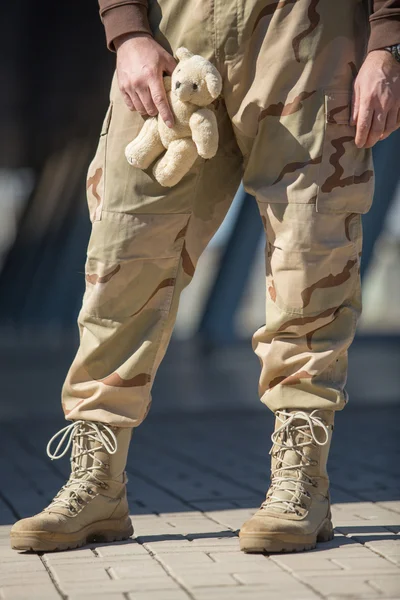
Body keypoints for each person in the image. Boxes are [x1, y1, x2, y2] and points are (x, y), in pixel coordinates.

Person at [10, 0, 400, 554]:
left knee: (311, 254)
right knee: (123, 256)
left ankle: (301, 480)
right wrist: (126, 33)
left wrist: (388, 43)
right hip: (175, 32)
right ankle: (95, 481)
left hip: (310, 31)